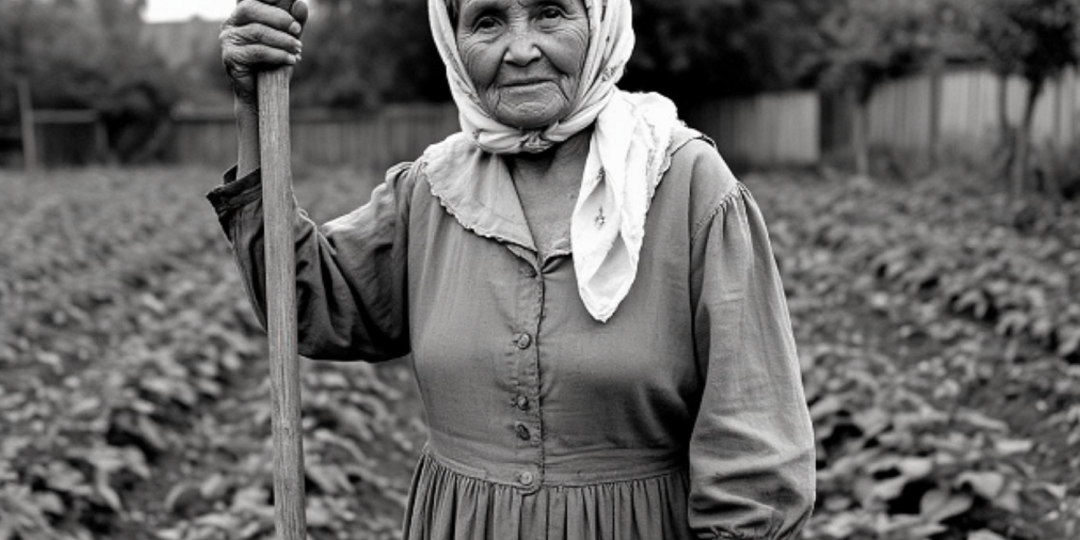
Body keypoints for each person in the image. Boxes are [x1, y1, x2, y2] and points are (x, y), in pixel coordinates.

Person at [211, 0, 816, 538]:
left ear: (601, 22)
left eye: (551, 12)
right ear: (451, 37)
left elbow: (754, 449)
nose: (521, 49)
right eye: (488, 20)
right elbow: (309, 304)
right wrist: (252, 107)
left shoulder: (686, 184)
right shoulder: (430, 190)